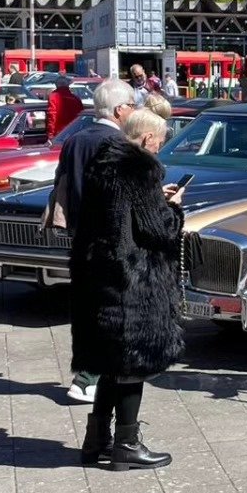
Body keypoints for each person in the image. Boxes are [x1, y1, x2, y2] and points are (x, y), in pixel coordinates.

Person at [70, 107, 183, 470]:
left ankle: (96, 439)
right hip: (133, 280)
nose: (160, 148)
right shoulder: (140, 169)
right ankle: (127, 444)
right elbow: (157, 231)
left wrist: (154, 199)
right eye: (160, 141)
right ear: (148, 139)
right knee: (134, 362)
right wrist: (173, 208)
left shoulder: (101, 164)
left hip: (98, 276)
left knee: (107, 361)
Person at [46, 80, 137, 403]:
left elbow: (63, 184)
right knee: (108, 309)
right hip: (110, 239)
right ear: (119, 109)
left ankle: (91, 375)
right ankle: (88, 379)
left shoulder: (74, 140)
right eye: (132, 105)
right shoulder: (118, 142)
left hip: (80, 236)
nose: (135, 110)